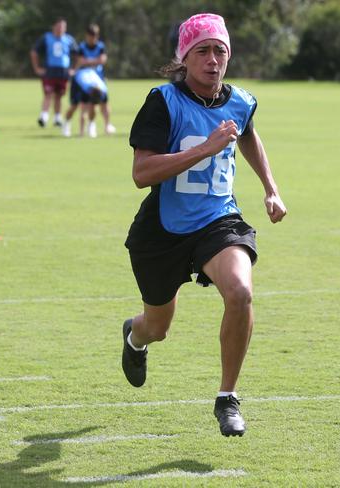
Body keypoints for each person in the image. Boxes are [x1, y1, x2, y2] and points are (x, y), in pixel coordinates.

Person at [121, 13, 287, 437]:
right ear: (185, 57)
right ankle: (135, 337)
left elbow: (247, 131)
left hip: (218, 219)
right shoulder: (163, 101)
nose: (213, 60)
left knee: (241, 291)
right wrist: (206, 149)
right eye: (203, 51)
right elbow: (142, 172)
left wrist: (270, 187)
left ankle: (227, 397)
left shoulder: (241, 100)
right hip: (163, 229)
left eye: (220, 51)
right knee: (157, 328)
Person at [62, 24, 116, 137]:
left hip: (97, 79)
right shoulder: (81, 47)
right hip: (82, 80)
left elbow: (102, 60)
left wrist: (88, 61)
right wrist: (94, 61)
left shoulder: (100, 46)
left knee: (100, 102)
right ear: (87, 36)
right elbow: (81, 61)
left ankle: (98, 125)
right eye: (91, 36)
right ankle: (66, 123)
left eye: (95, 36)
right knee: (75, 105)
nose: (93, 38)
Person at [30, 18, 77, 128]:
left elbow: (77, 55)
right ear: (54, 26)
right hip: (50, 71)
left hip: (63, 72)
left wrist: (74, 69)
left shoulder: (69, 39)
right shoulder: (46, 38)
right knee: (48, 94)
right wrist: (37, 68)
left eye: (63, 27)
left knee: (59, 95)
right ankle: (44, 117)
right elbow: (34, 52)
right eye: (59, 26)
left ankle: (57, 118)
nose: (61, 29)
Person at [73, 67, 108, 137]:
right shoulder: (85, 88)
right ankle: (81, 131)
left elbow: (103, 105)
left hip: (91, 74)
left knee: (93, 108)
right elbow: (83, 111)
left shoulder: (104, 90)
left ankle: (92, 126)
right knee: (83, 109)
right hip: (78, 77)